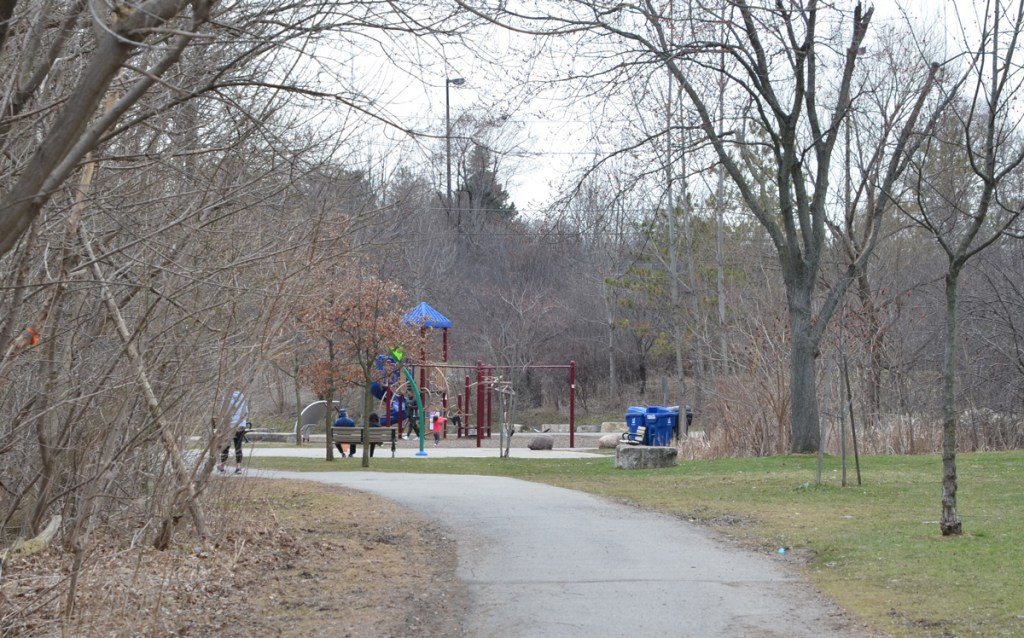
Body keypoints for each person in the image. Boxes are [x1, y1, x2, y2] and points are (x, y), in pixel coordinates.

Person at [218, 390, 249, 474]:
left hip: (229, 426)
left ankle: (222, 466)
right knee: (238, 446)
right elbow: (245, 412)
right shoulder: (242, 397)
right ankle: (238, 467)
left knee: (226, 446)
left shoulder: (226, 398)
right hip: (240, 425)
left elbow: (222, 412)